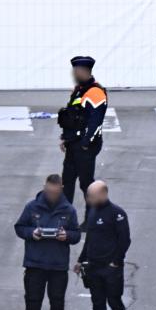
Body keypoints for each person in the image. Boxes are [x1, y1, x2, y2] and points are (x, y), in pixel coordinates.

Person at [14, 174, 81, 310]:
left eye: (54, 192)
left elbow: (76, 234)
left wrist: (66, 236)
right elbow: (19, 227)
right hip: (35, 263)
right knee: (33, 301)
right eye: (48, 191)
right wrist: (32, 234)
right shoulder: (32, 207)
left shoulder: (68, 210)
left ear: (60, 189)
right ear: (44, 188)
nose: (51, 194)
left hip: (58, 265)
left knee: (57, 302)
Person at [75, 180, 131, 310]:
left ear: (102, 194)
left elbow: (125, 240)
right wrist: (81, 259)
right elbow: (89, 239)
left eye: (91, 196)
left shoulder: (117, 214)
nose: (88, 199)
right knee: (97, 303)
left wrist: (116, 261)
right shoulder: (92, 212)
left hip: (110, 268)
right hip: (93, 266)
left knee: (114, 302)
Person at [58, 56, 107, 203]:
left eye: (75, 71)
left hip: (84, 146)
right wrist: (65, 138)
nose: (73, 74)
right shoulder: (79, 89)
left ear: (83, 71)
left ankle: (91, 220)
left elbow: (95, 121)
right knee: (67, 182)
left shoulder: (95, 92)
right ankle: (66, 219)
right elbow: (73, 117)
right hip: (73, 144)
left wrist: (86, 143)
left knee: (87, 185)